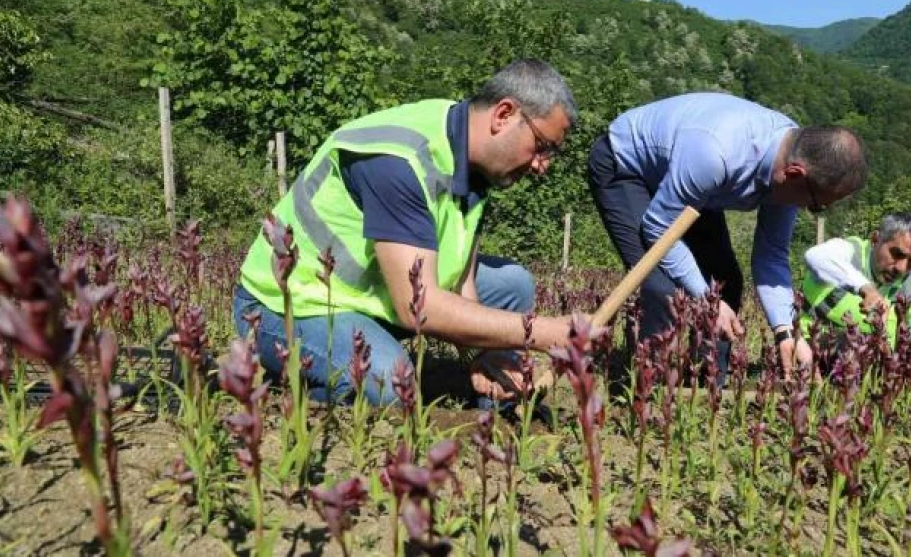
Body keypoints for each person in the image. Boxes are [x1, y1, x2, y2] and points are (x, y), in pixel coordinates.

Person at [233, 60, 580, 406]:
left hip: (375, 291)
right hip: (289, 304)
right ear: (504, 114)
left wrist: (484, 351)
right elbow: (419, 306)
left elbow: (462, 280)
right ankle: (253, 371)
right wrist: (545, 333)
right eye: (542, 145)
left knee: (512, 285)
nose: (542, 166)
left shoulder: (474, 157)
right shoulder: (399, 161)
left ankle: (497, 407)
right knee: (390, 382)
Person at [587, 92, 868, 382]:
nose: (811, 210)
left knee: (726, 281)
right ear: (794, 174)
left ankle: (706, 383)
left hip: (692, 188)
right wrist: (706, 299)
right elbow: (659, 228)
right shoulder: (715, 154)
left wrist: (786, 332)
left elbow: (771, 254)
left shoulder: (792, 159)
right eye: (815, 205)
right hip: (628, 168)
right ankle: (646, 390)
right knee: (662, 287)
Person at [800, 212, 911, 349]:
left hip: (871, 366)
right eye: (897, 254)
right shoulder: (850, 251)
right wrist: (866, 288)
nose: (902, 268)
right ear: (875, 240)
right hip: (806, 355)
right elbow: (815, 256)